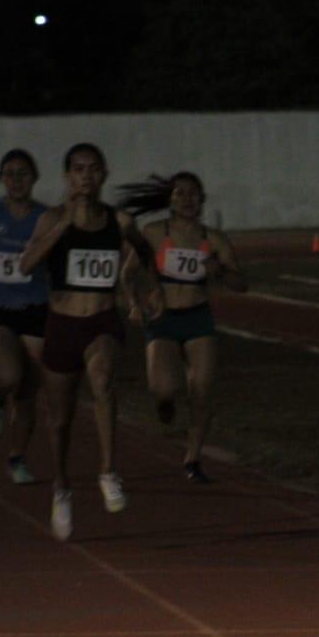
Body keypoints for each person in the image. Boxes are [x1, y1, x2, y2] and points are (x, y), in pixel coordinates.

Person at [19, 143, 159, 541]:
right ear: (67, 177)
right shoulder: (51, 219)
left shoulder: (119, 221)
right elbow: (27, 265)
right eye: (78, 169)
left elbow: (145, 252)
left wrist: (144, 288)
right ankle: (62, 486)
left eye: (93, 169)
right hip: (62, 325)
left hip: (101, 320)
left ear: (104, 175)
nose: (86, 176)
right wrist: (63, 227)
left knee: (102, 379)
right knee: (59, 422)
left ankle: (108, 471)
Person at [118, 172, 246, 484]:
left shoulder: (213, 239)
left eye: (193, 193)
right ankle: (165, 402)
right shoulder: (153, 233)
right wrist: (135, 303)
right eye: (180, 193)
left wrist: (220, 272)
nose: (187, 199)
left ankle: (192, 459)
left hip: (197, 318)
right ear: (170, 199)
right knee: (163, 388)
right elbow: (128, 274)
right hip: (162, 319)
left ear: (202, 199)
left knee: (202, 391)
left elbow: (241, 283)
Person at [0, 149, 49, 485]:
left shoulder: (45, 218)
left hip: (36, 309)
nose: (17, 180)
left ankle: (17, 458)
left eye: (23, 173)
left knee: (29, 391)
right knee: (9, 375)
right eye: (11, 173)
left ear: (34, 178)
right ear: (2, 178)